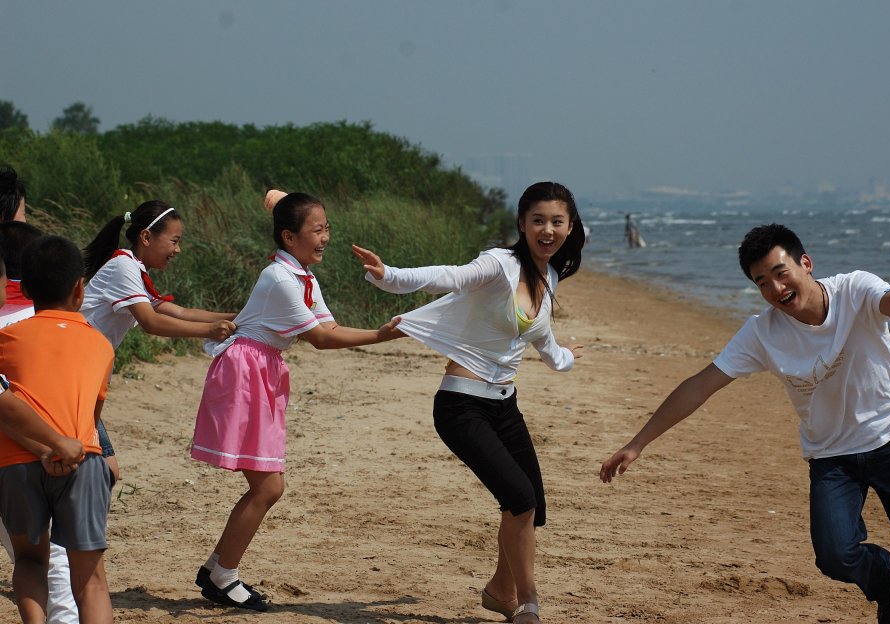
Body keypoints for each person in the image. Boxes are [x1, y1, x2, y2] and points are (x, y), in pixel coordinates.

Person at [600, 223, 890, 624]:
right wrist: (638, 443)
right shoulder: (762, 333)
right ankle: (888, 582)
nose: (775, 288)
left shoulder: (854, 289)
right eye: (762, 282)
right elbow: (700, 385)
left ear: (805, 263)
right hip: (831, 457)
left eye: (780, 272)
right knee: (834, 555)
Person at [354, 181, 586, 624]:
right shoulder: (500, 264)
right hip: (462, 406)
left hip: (505, 404)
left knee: (530, 505)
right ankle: (528, 604)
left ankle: (501, 590)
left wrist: (569, 358)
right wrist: (390, 275)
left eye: (557, 221)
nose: (547, 229)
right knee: (519, 499)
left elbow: (546, 345)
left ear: (570, 227)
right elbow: (450, 276)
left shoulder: (550, 276)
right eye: (538, 220)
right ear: (522, 223)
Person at [190, 191, 401, 612]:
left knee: (266, 484)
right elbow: (321, 339)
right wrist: (384, 334)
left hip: (260, 369)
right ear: (290, 236)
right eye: (317, 229)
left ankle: (217, 568)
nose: (325, 237)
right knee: (268, 485)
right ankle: (222, 575)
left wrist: (385, 332)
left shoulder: (301, 276)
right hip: (245, 371)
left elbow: (330, 326)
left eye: (327, 229)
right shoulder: (281, 279)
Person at [0, 235, 116, 624]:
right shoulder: (101, 345)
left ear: (24, 288)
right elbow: (92, 415)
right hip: (80, 457)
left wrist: (43, 446)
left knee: (31, 559)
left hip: (16, 460)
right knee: (91, 580)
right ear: (79, 288)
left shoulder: (6, 339)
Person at [80, 200, 237, 485]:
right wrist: (209, 331)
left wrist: (240, 316)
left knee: (99, 468)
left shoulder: (134, 270)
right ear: (147, 237)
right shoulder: (123, 268)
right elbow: (152, 322)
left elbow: (180, 312)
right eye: (174, 241)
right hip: (76, 373)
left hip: (88, 375)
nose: (178, 249)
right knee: (101, 470)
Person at [0, 217, 82, 624]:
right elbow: (8, 405)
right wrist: (53, 445)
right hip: (19, 462)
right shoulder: (19, 332)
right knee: (48, 559)